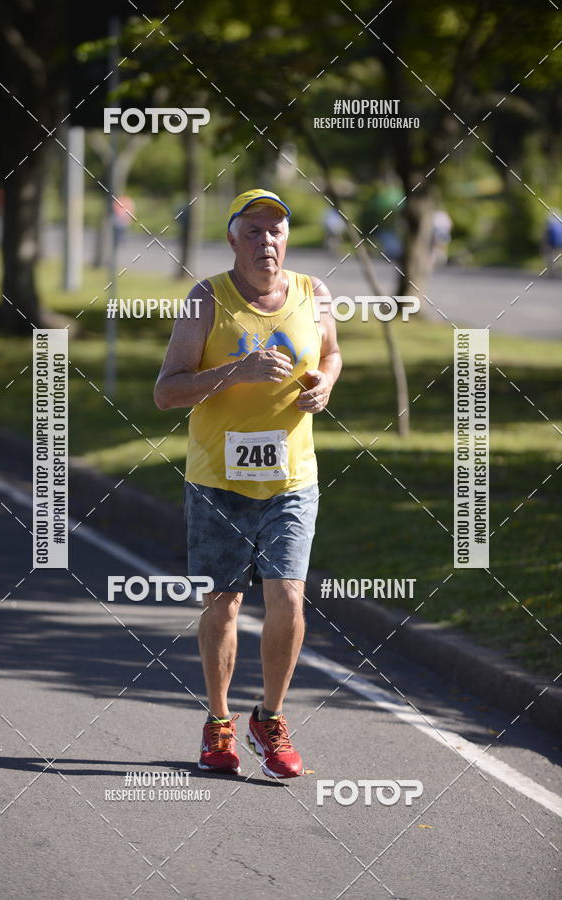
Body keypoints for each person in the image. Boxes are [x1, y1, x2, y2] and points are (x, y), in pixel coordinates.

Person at [154, 188, 341, 778]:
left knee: (288, 596)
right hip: (219, 481)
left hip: (292, 478)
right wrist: (238, 370)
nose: (268, 241)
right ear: (233, 239)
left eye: (277, 230)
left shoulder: (315, 294)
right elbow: (166, 391)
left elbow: (333, 354)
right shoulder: (206, 299)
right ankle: (218, 723)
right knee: (224, 604)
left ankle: (271, 718)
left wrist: (326, 385)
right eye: (254, 230)